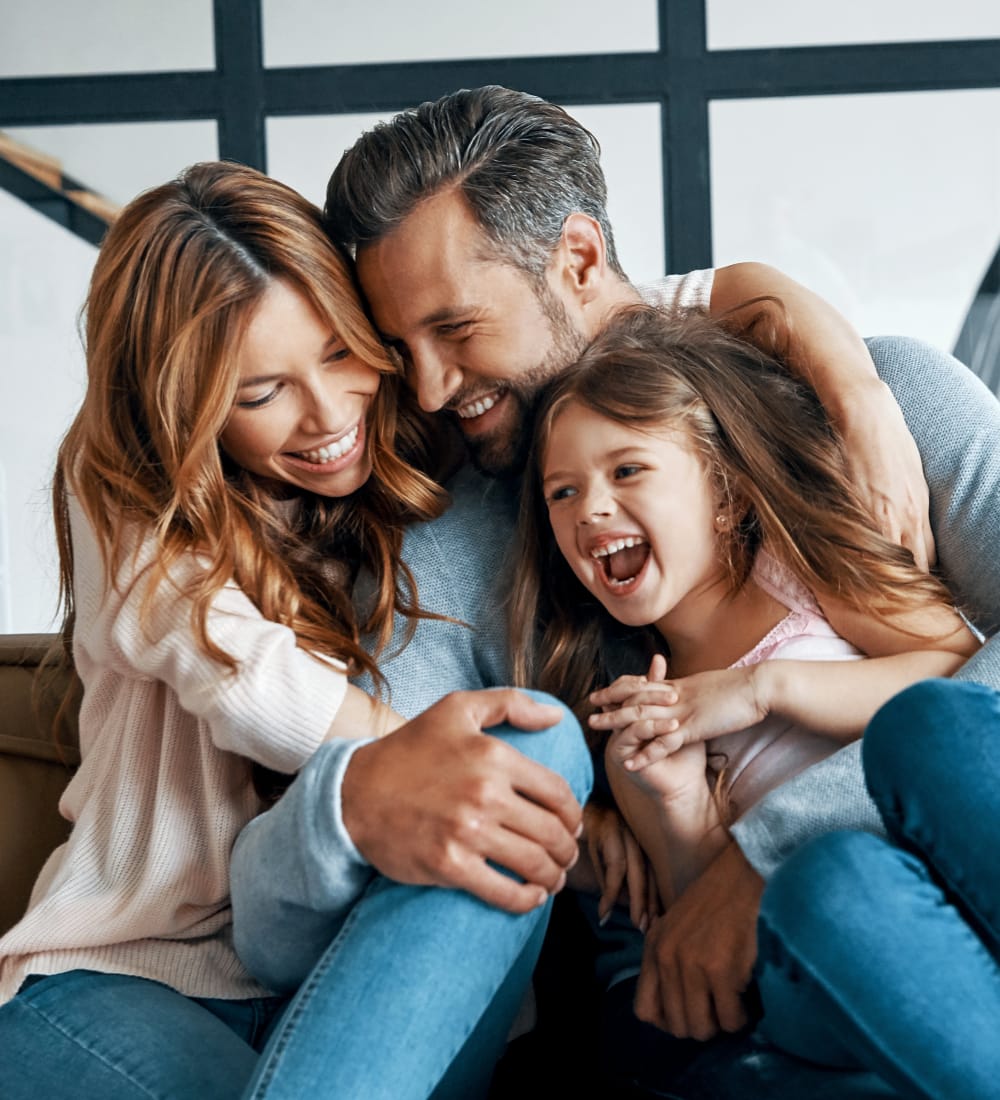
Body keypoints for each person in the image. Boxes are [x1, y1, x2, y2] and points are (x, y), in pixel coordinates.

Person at [233, 84, 1000, 1097]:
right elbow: (317, 865)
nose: (424, 390)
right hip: (742, 1020)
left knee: (894, 790)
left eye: (456, 328)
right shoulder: (458, 548)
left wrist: (767, 846)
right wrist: (502, 805)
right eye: (397, 349)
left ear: (581, 260)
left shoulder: (876, 398)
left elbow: (948, 717)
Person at [0, 160, 592, 1100]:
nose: (327, 416)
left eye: (341, 351)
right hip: (132, 977)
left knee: (536, 743)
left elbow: (582, 319)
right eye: (260, 391)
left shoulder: (413, 448)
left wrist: (769, 302)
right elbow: (249, 681)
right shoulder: (125, 493)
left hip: (356, 986)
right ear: (180, 406)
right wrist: (437, 770)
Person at [509, 300, 980, 1036]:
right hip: (835, 943)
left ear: (724, 495)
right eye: (561, 492)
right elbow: (707, 938)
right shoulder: (639, 715)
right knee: (818, 911)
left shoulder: (799, 572)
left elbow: (959, 679)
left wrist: (763, 689)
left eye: (627, 469)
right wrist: (676, 803)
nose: (590, 510)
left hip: (950, 860)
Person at [757, 677, 1000, 1100]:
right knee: (833, 881)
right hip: (818, 947)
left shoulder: (841, 611)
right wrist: (676, 802)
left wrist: (766, 688)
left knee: (931, 717)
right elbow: (697, 953)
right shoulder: (614, 731)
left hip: (950, 840)